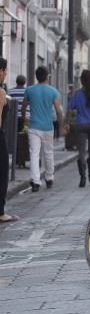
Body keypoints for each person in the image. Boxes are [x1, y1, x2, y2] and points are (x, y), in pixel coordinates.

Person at [22, 66, 63, 192]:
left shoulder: (29, 90)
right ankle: (49, 178)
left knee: (34, 154)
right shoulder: (53, 91)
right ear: (47, 76)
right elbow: (58, 111)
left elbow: (23, 107)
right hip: (48, 127)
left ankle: (35, 181)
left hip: (34, 126)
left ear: (36, 76)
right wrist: (60, 127)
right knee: (48, 153)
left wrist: (25, 118)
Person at [64, 69, 90, 187]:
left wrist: (67, 123)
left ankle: (82, 177)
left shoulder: (77, 94)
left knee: (81, 152)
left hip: (81, 125)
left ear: (82, 81)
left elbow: (70, 110)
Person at [0, 57, 20, 223]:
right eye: (5, 70)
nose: (6, 73)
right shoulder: (1, 92)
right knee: (2, 173)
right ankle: (0, 212)